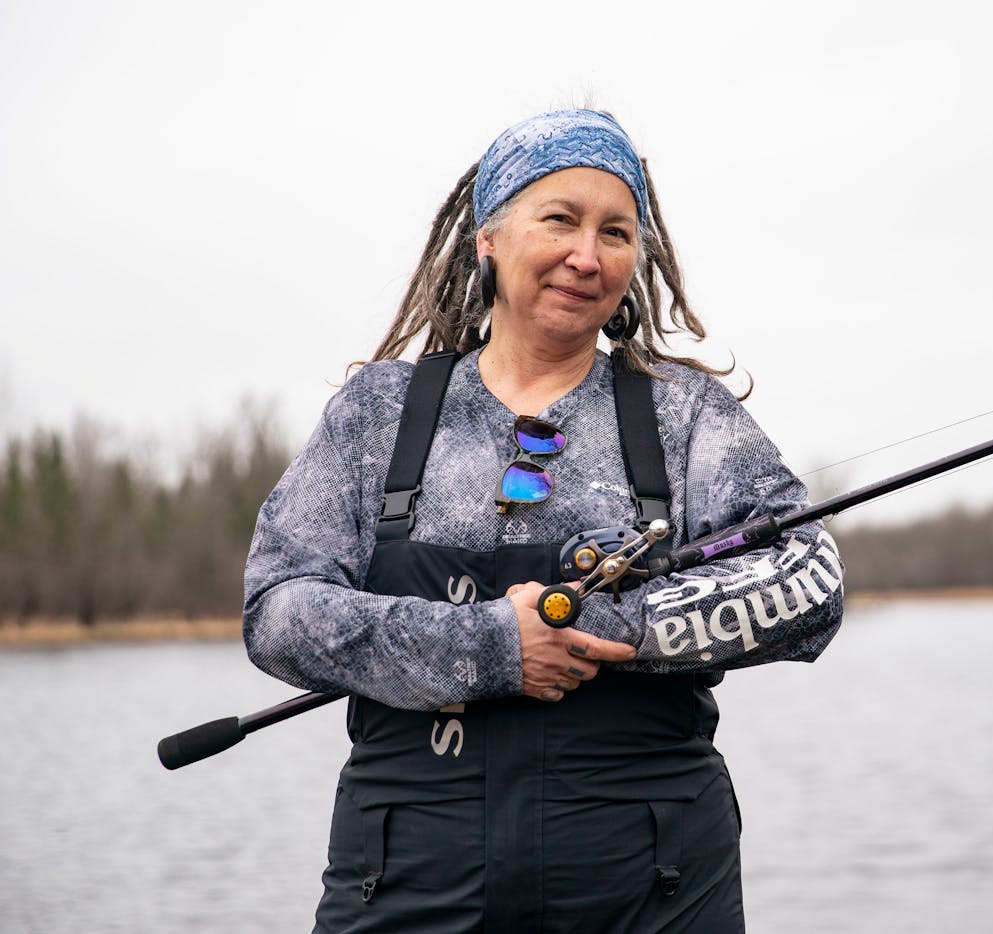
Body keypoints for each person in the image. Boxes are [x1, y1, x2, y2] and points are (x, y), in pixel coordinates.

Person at [243, 109, 845, 933]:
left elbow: (810, 582)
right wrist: (493, 645)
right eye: (559, 219)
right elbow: (277, 612)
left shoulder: (687, 414)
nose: (587, 257)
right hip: (404, 887)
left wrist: (613, 621)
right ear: (488, 237)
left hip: (654, 889)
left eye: (616, 233)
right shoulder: (377, 413)